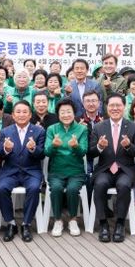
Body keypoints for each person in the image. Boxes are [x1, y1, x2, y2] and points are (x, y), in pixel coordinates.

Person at [88, 93, 135, 242]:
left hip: (125, 169)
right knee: (100, 184)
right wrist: (99, 147)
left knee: (124, 185)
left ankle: (120, 223)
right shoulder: (99, 127)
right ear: (107, 107)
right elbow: (90, 153)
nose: (115, 108)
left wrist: (129, 146)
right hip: (105, 169)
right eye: (111, 105)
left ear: (124, 107)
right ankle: (103, 224)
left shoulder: (133, 127)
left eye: (118, 105)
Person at [0, 101, 46, 242]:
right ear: (13, 115)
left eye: (25, 112)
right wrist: (6, 149)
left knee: (34, 188)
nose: (21, 115)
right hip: (10, 171)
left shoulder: (39, 131)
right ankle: (11, 223)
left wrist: (33, 149)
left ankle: (26, 223)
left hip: (31, 171)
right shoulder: (6, 131)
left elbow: (42, 155)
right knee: (1, 188)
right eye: (18, 112)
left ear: (30, 115)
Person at [44, 99, 88, 237]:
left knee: (72, 189)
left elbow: (83, 152)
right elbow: (47, 152)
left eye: (69, 111)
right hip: (56, 171)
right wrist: (54, 145)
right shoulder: (52, 129)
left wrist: (76, 146)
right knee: (56, 188)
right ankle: (58, 220)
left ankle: (73, 219)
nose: (66, 115)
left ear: (74, 113)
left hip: (76, 171)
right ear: (58, 114)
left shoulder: (82, 129)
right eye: (62, 112)